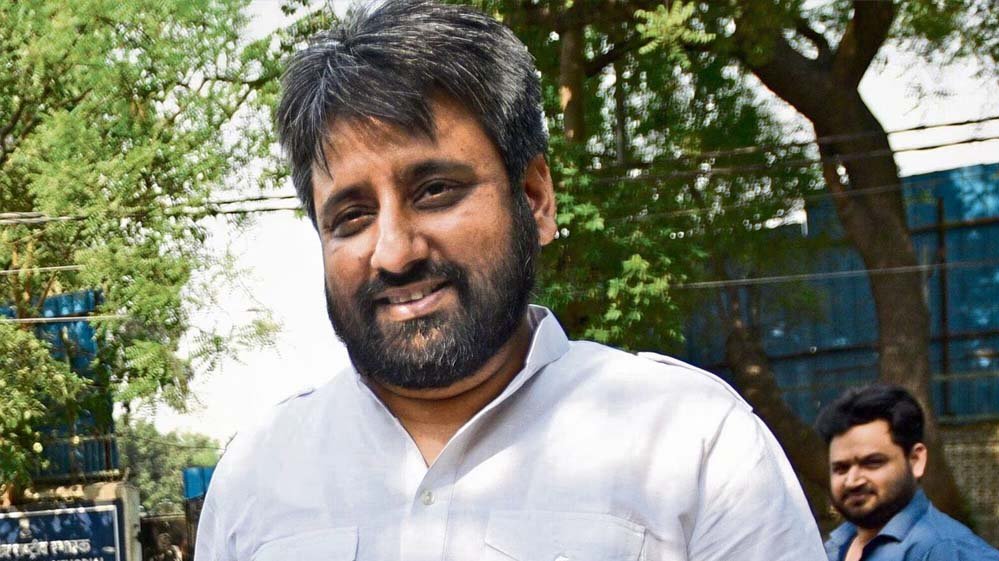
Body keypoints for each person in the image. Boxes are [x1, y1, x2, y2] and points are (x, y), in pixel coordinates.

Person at [195, 1, 825, 559]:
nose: (394, 253)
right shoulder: (258, 476)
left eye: (435, 191)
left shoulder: (692, 443)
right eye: (352, 217)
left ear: (535, 199)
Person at [815, 384, 999, 561]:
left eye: (872, 463)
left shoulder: (948, 551)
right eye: (841, 468)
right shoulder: (833, 547)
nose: (852, 481)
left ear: (916, 460)